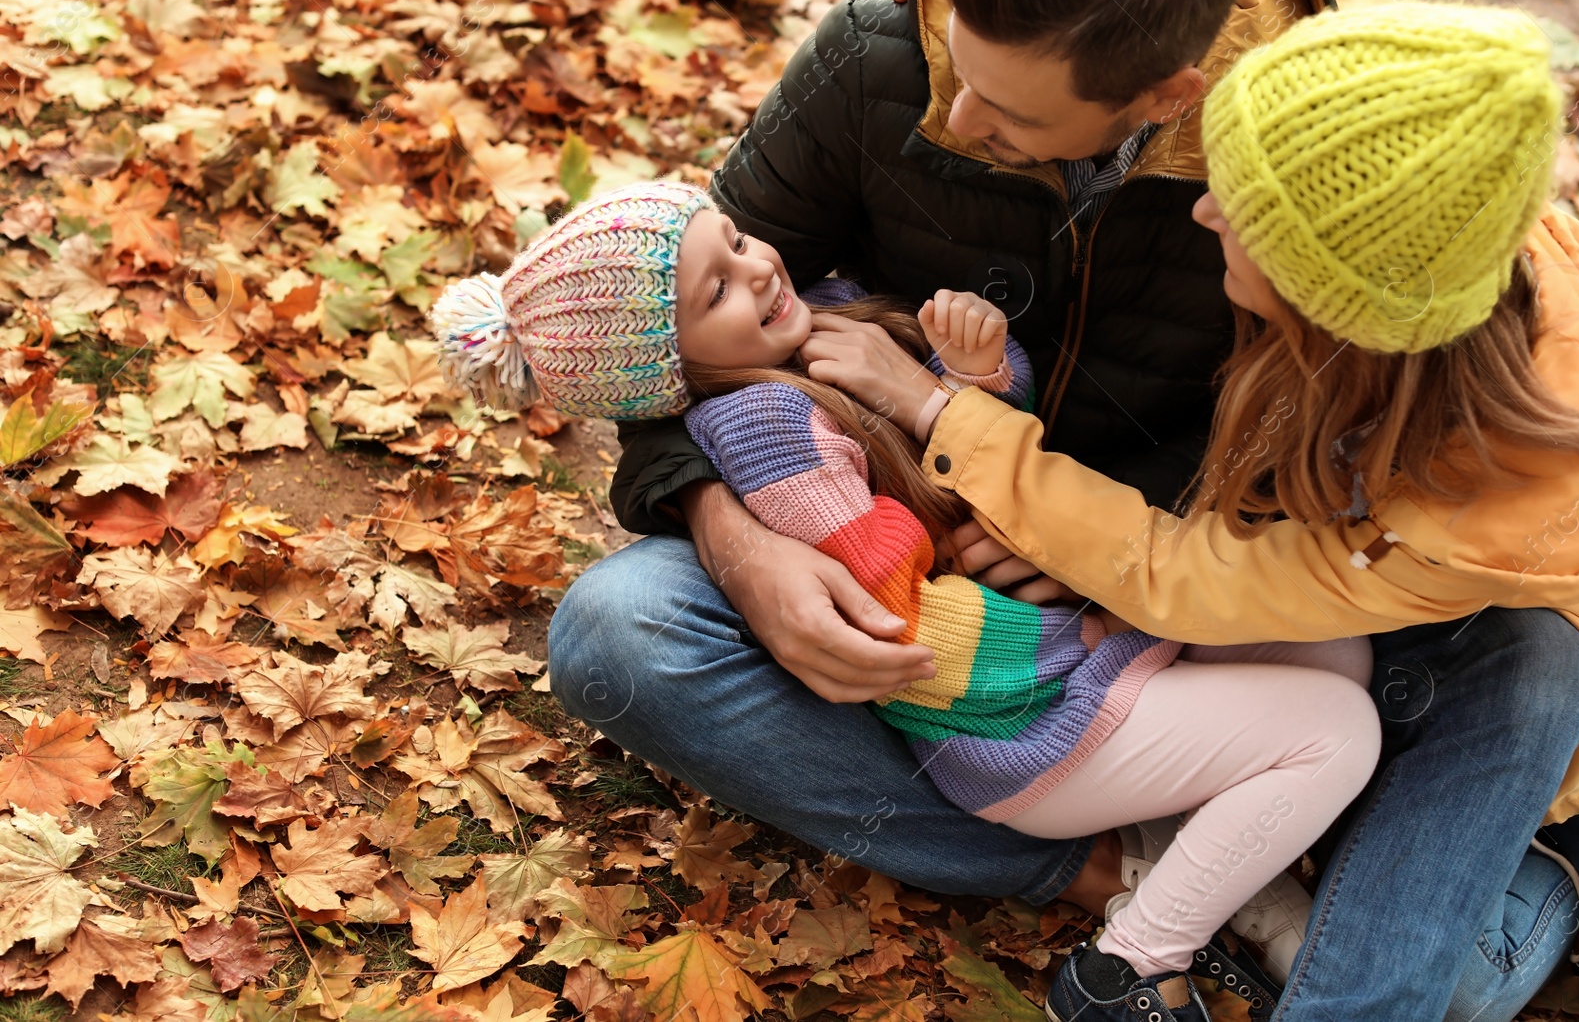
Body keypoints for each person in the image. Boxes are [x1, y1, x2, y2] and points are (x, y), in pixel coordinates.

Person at [549, 0, 1579, 1019]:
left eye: (1002, 109)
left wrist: (1032, 496)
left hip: (1194, 568)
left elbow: (1284, 492)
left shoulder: (1305, 180)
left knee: (1529, 677)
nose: (951, 113)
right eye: (953, 57)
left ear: (1166, 100)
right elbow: (659, 338)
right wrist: (738, 537)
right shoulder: (878, 57)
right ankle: (1116, 876)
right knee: (619, 629)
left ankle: (1314, 857)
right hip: (947, 591)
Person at [429, 180, 1380, 1021]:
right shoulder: (766, 425)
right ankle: (1131, 968)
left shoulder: (827, 316)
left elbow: (984, 441)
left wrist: (976, 375)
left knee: (1332, 649)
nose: (758, 272)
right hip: (1018, 716)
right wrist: (1097, 614)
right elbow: (906, 615)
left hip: (1072, 660)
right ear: (666, 373)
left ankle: (1191, 846)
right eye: (716, 290)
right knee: (1337, 728)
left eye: (738, 242)